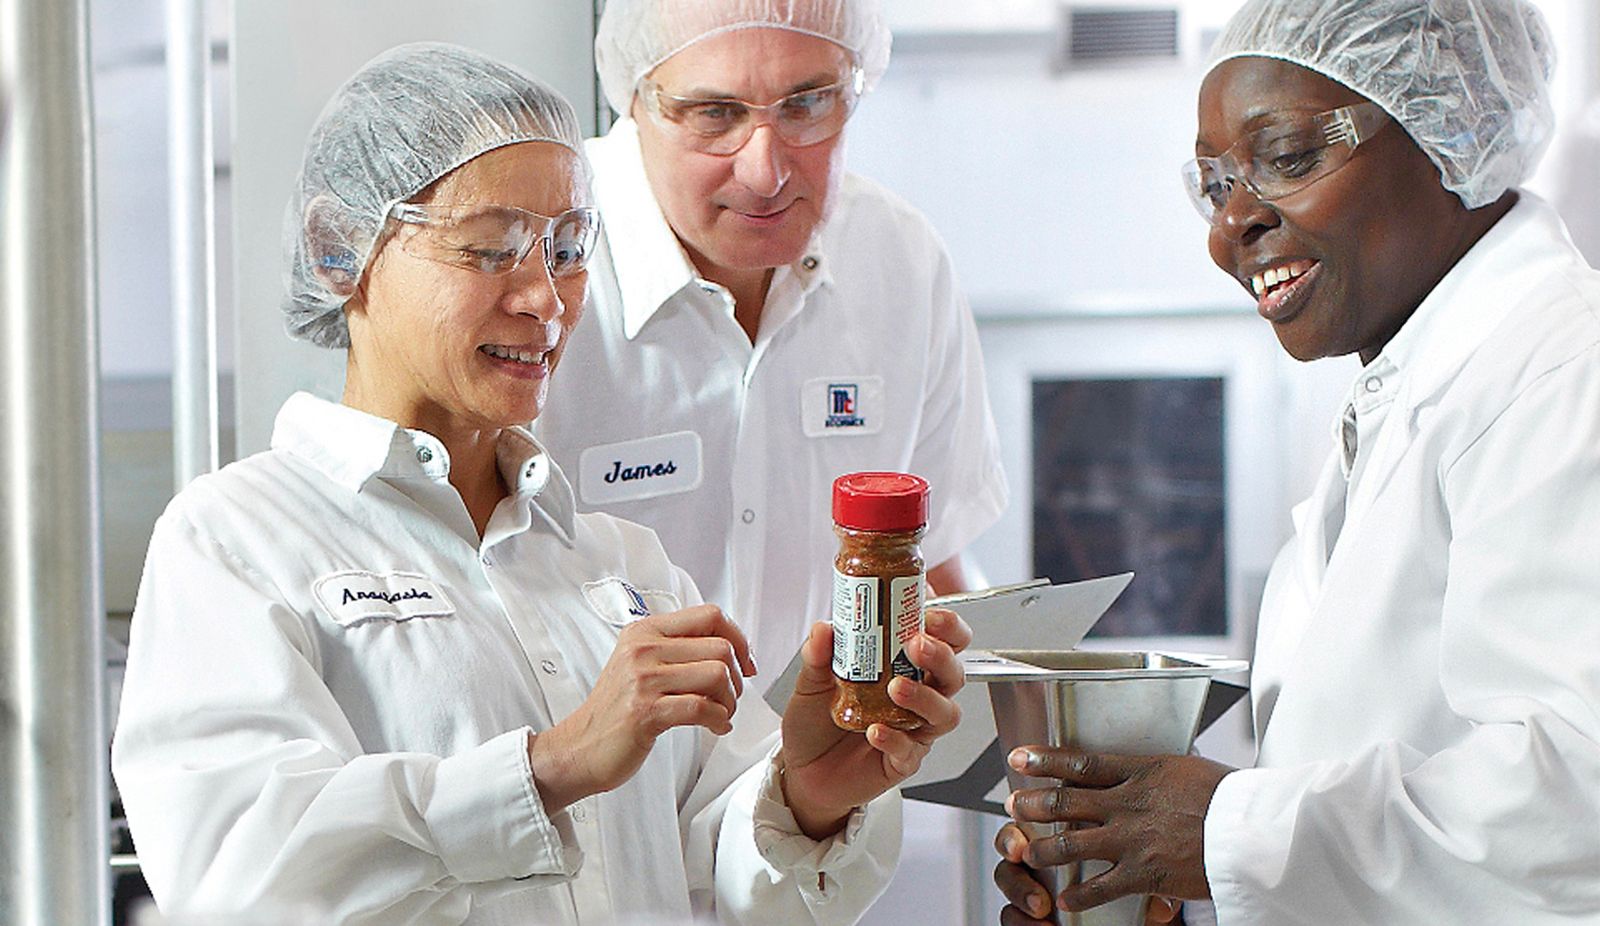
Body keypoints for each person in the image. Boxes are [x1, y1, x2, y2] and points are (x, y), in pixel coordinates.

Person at [110, 42, 971, 926]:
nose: (545, 299)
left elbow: (729, 886)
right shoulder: (239, 541)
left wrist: (808, 797)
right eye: (492, 250)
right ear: (342, 254)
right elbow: (235, 879)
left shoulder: (621, 564)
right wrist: (550, 766)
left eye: (566, 250)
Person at [992, 1, 1600, 924]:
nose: (1229, 224)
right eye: (1212, 183)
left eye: (1286, 157)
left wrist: (1225, 835)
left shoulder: (1564, 371)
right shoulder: (1405, 402)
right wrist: (1174, 875)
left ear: (1449, 124)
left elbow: (1577, 799)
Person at [534, 0, 1009, 680]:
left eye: (807, 104)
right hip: (614, 783)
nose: (766, 172)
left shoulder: (900, 262)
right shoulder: (537, 266)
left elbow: (930, 563)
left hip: (844, 773)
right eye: (715, 114)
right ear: (632, 102)